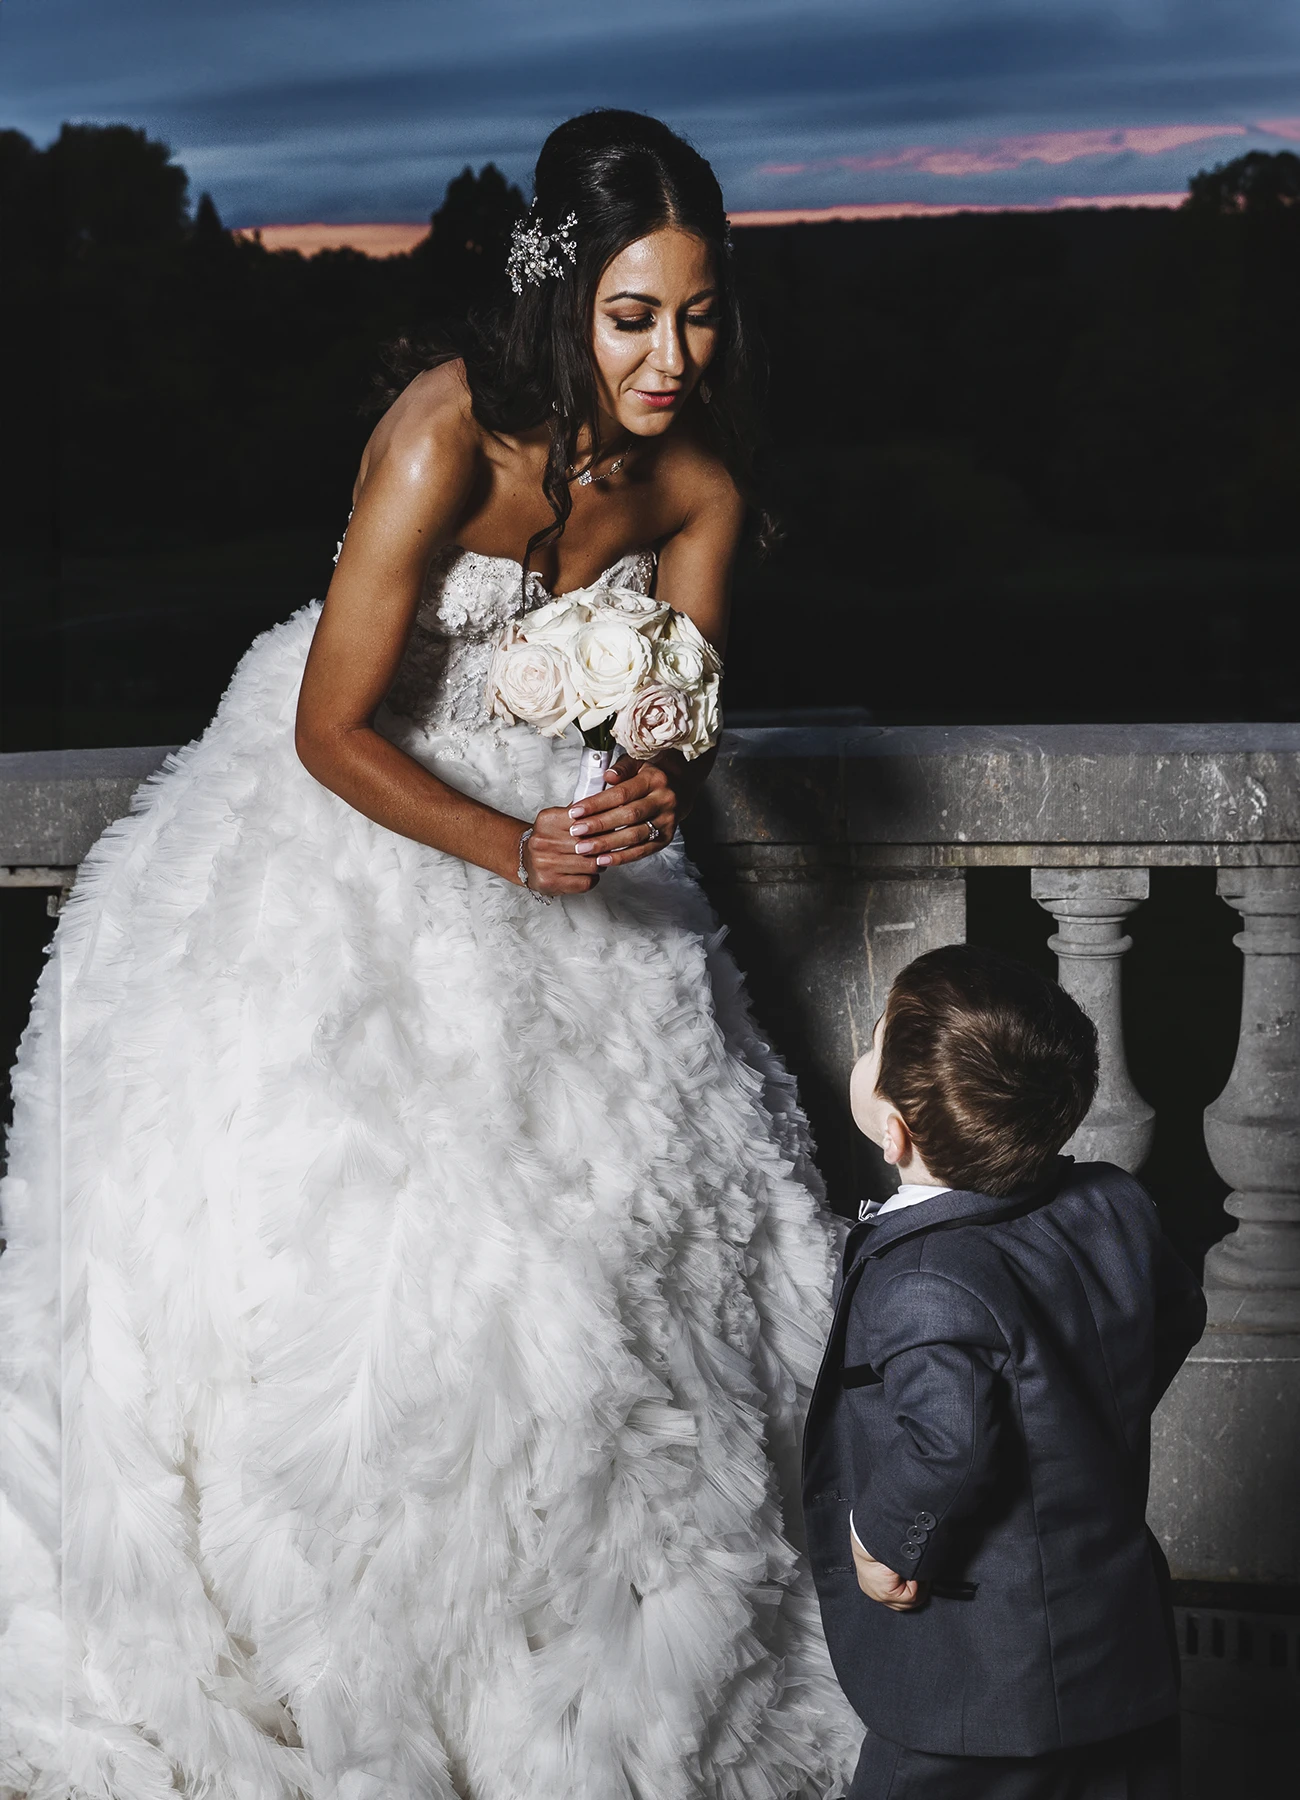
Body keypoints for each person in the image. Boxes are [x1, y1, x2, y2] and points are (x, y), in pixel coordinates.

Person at [0, 110, 861, 1799]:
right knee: (359, 1267)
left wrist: (638, 792)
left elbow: (667, 721)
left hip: (560, 837)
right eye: (634, 317)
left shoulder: (697, 483)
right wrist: (525, 848)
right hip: (360, 811)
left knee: (620, 1264)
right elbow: (334, 726)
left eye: (699, 313)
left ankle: (584, 1673)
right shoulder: (440, 439)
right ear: (560, 291)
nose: (673, 356)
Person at [801, 945, 1207, 1800]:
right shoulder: (1113, 1204)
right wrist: (1089, 1403)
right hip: (1116, 1648)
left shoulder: (922, 1282)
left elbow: (948, 1442)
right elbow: (1176, 1310)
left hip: (979, 1688)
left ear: (895, 1131)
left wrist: (879, 1541)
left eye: (874, 1043)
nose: (865, 1050)